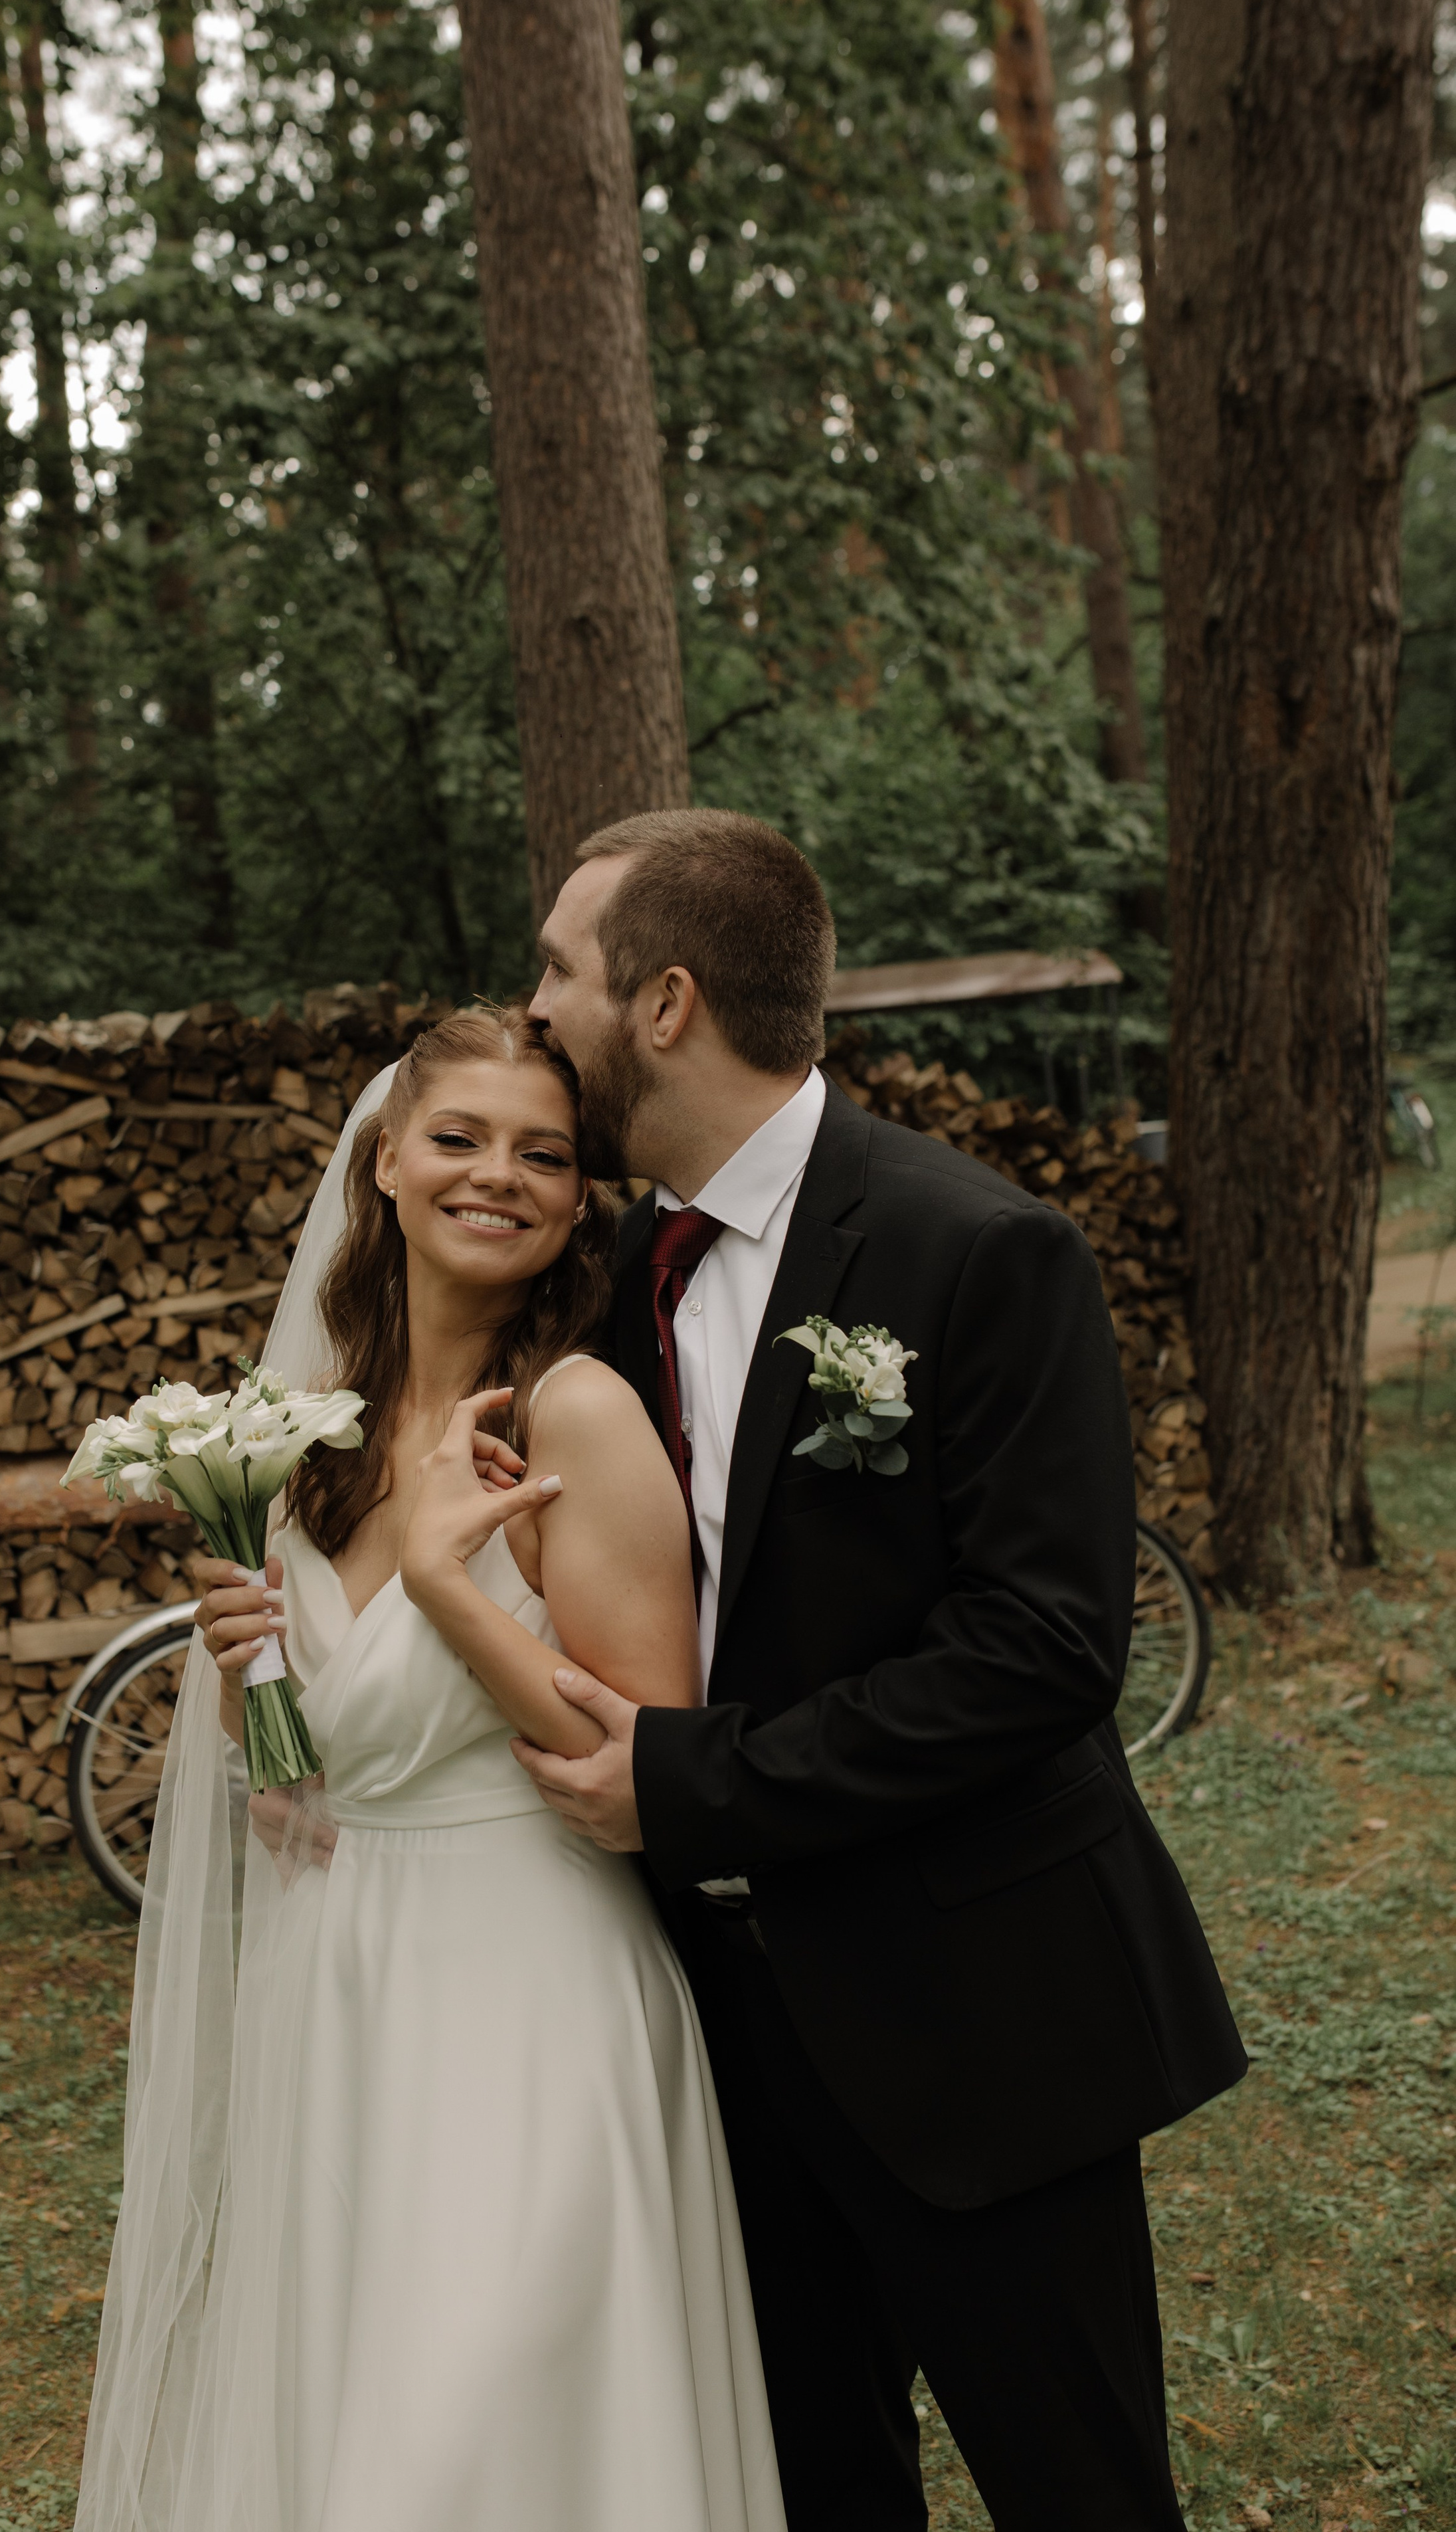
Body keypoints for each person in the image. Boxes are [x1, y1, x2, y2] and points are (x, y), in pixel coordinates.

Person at [516, 809, 1248, 2531]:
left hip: (982, 2024)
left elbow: (1045, 1651)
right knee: (815, 2494)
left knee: (1081, 2495)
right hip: (725, 2052)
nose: (531, 1009)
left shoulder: (978, 1251)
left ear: (669, 1000)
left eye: (557, 970)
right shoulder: (614, 1279)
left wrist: (695, 1786)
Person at [72, 1005, 785, 2532]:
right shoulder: (297, 1422)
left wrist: (460, 1593)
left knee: (478, 2416)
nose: (498, 1176)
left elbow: (644, 1749)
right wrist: (236, 1662)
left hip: (527, 1985)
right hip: (335, 1982)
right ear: (384, 1158)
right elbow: (292, 1763)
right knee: (348, 2404)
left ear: (575, 1198)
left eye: (542, 1154)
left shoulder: (573, 1415)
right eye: (458, 1137)